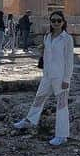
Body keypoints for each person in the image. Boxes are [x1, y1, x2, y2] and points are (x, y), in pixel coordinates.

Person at [13, 11, 74, 146]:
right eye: (53, 20)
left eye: (59, 20)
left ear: (63, 22)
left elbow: (69, 61)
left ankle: (61, 135)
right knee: (39, 97)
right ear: (50, 22)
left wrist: (66, 79)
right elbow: (46, 55)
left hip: (60, 76)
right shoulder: (47, 36)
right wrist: (42, 50)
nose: (56, 23)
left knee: (62, 105)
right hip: (47, 75)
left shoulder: (67, 39)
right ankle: (29, 121)